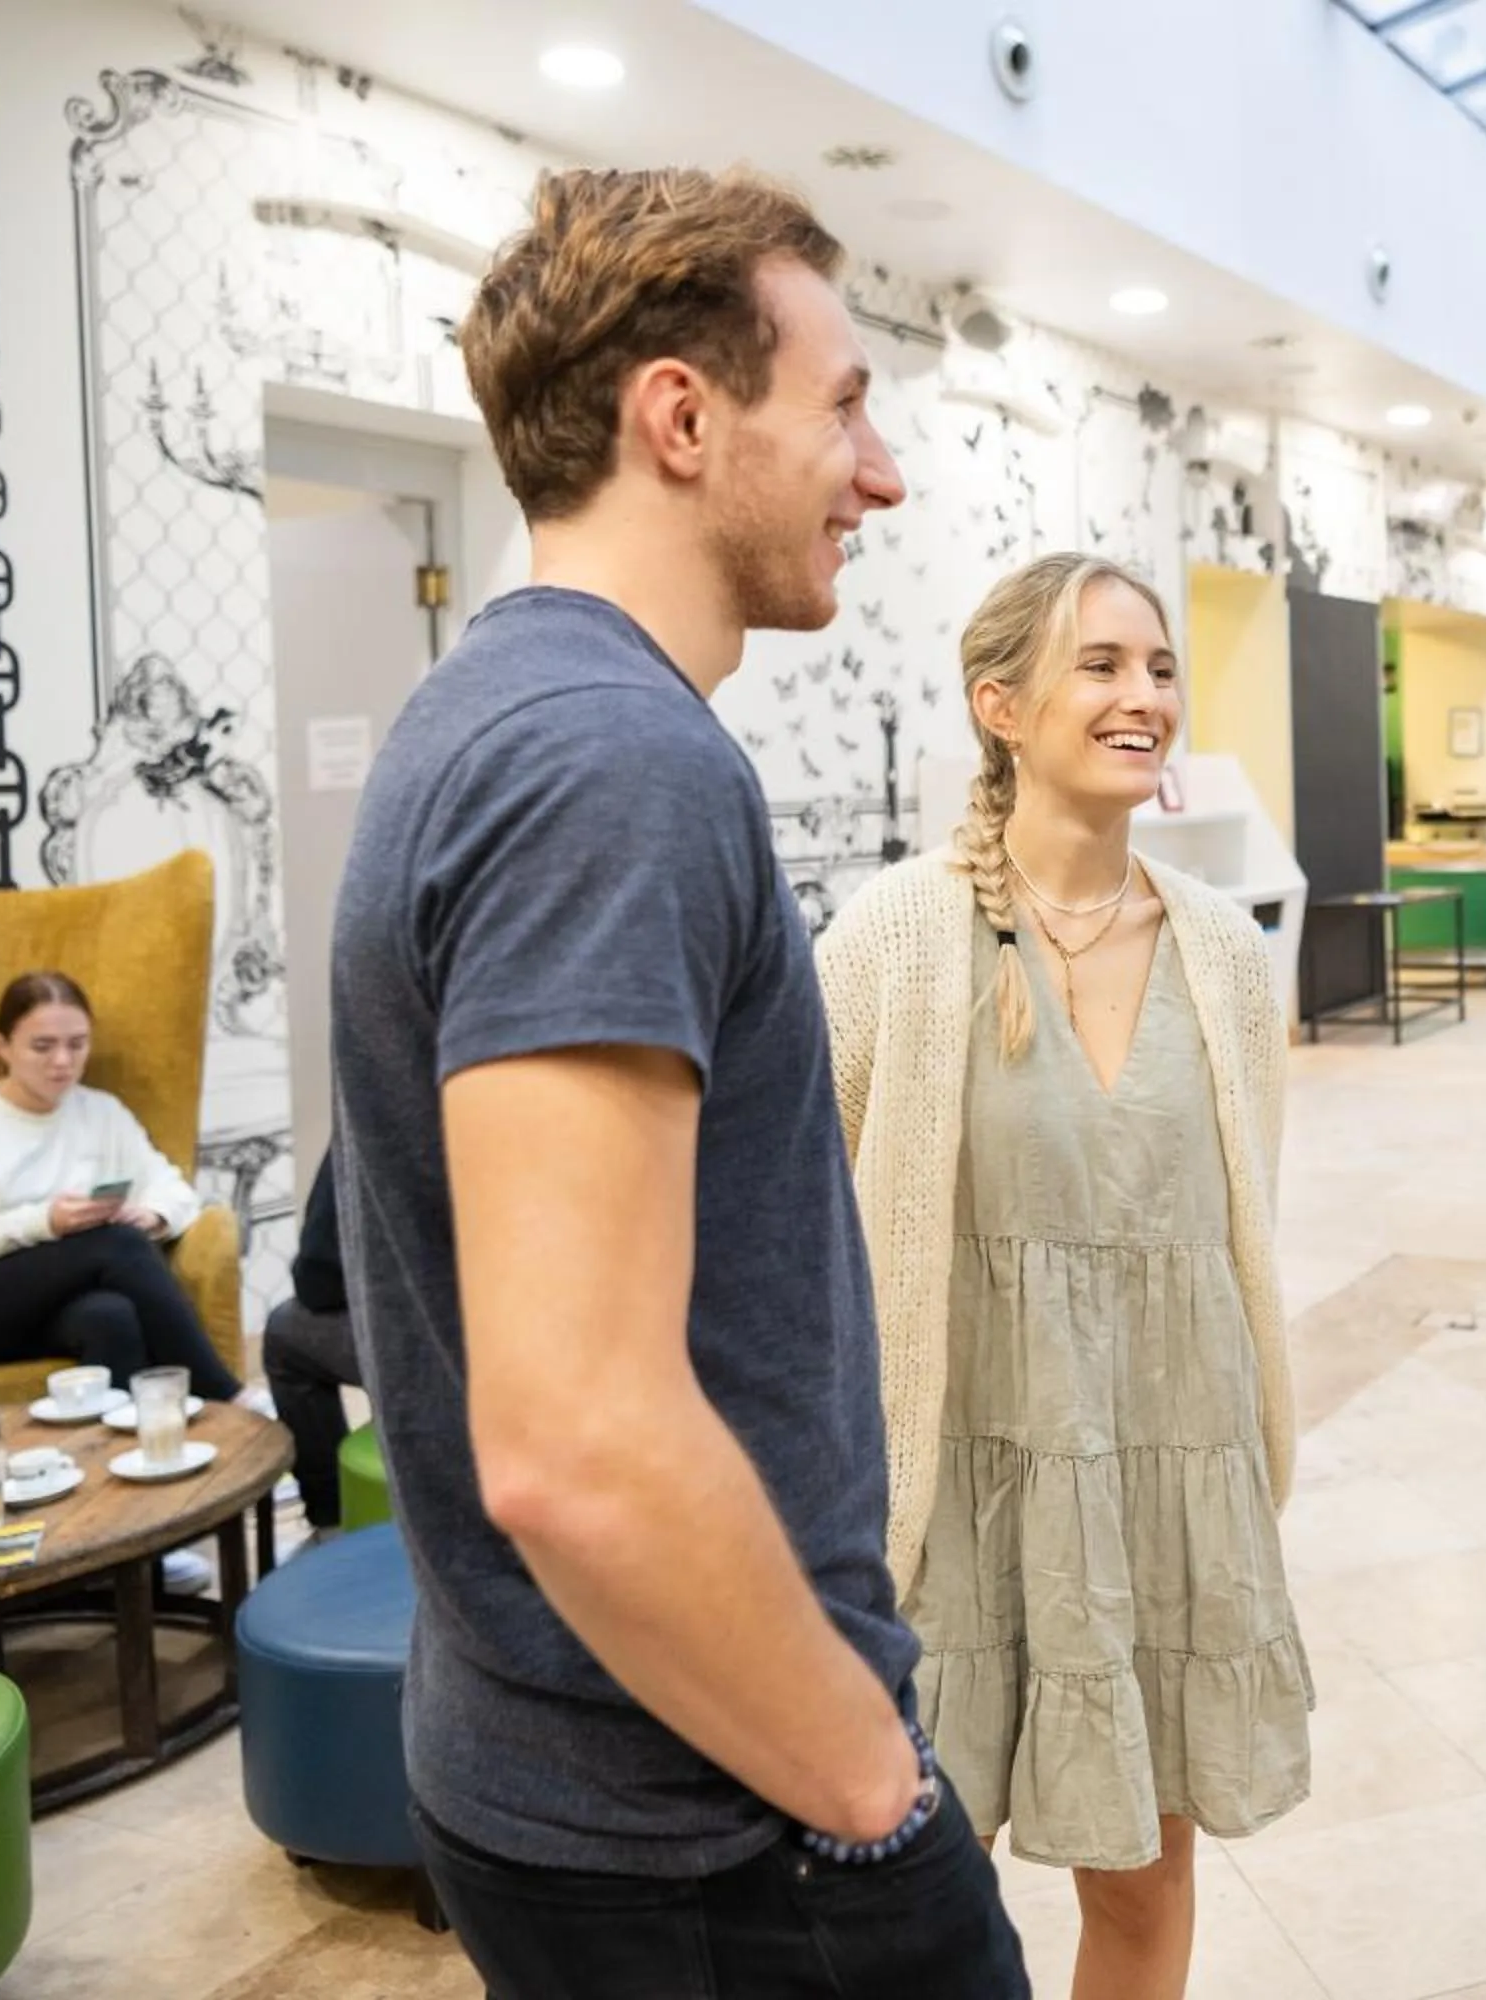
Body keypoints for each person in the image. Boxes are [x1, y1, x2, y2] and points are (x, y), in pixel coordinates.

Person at [326, 166, 1024, 1995]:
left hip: (599, 1780)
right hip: (710, 1830)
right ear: (683, 416)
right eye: (848, 406)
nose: (879, 475)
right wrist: (874, 1792)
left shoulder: (514, 716)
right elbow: (578, 1450)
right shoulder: (604, 768)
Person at [817, 555, 1307, 2000]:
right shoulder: (895, 941)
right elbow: (800, 1228)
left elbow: (1238, 1245)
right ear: (1003, 707)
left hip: (1163, 1482)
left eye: (1158, 667)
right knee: (925, 1913)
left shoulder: (1223, 954)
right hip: (959, 1492)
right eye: (1100, 666)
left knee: (1147, 1898)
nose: (1143, 695)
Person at [0, 969, 242, 1404]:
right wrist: (44, 1223)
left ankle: (125, 1460)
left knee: (111, 1317)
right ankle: (225, 1396)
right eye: (42, 1046)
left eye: (77, 1044)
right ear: (3, 1047)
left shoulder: (101, 1113)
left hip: (28, 1308)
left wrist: (151, 1215)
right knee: (115, 1245)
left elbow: (173, 1189)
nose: (62, 1061)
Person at [261, 1151, 361, 1539]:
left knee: (285, 1335)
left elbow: (319, 1279)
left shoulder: (371, 1114)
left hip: (448, 1353)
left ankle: (332, 1519)